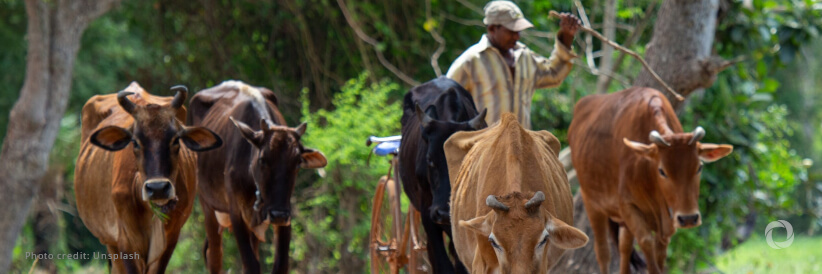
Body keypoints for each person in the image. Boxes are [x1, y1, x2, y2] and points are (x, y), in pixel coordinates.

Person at [446, 0, 581, 129]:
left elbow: (554, 74)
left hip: (521, 149)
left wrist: (567, 37)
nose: (517, 36)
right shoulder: (470, 62)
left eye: (518, 31)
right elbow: (446, 104)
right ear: (492, 29)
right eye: (511, 31)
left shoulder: (525, 57)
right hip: (483, 149)